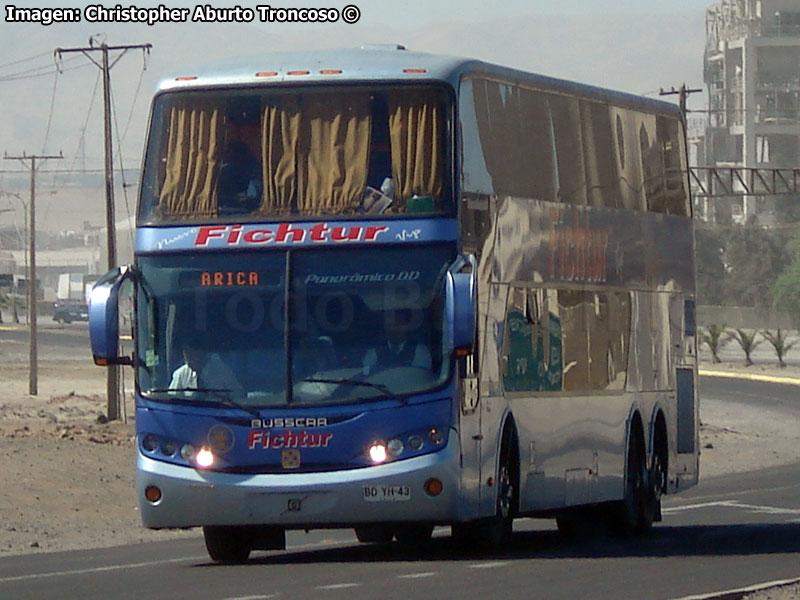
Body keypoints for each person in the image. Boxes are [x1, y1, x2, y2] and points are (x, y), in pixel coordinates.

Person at [362, 308, 432, 376]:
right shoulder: (373, 353)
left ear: (407, 326)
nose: (393, 329)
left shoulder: (420, 352)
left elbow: (422, 379)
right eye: (389, 325)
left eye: (398, 325)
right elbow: (367, 376)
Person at [169, 340, 243, 395]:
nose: (189, 361)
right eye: (186, 356)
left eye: (192, 356)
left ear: (202, 352)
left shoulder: (222, 371)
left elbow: (238, 396)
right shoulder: (180, 375)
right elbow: (171, 400)